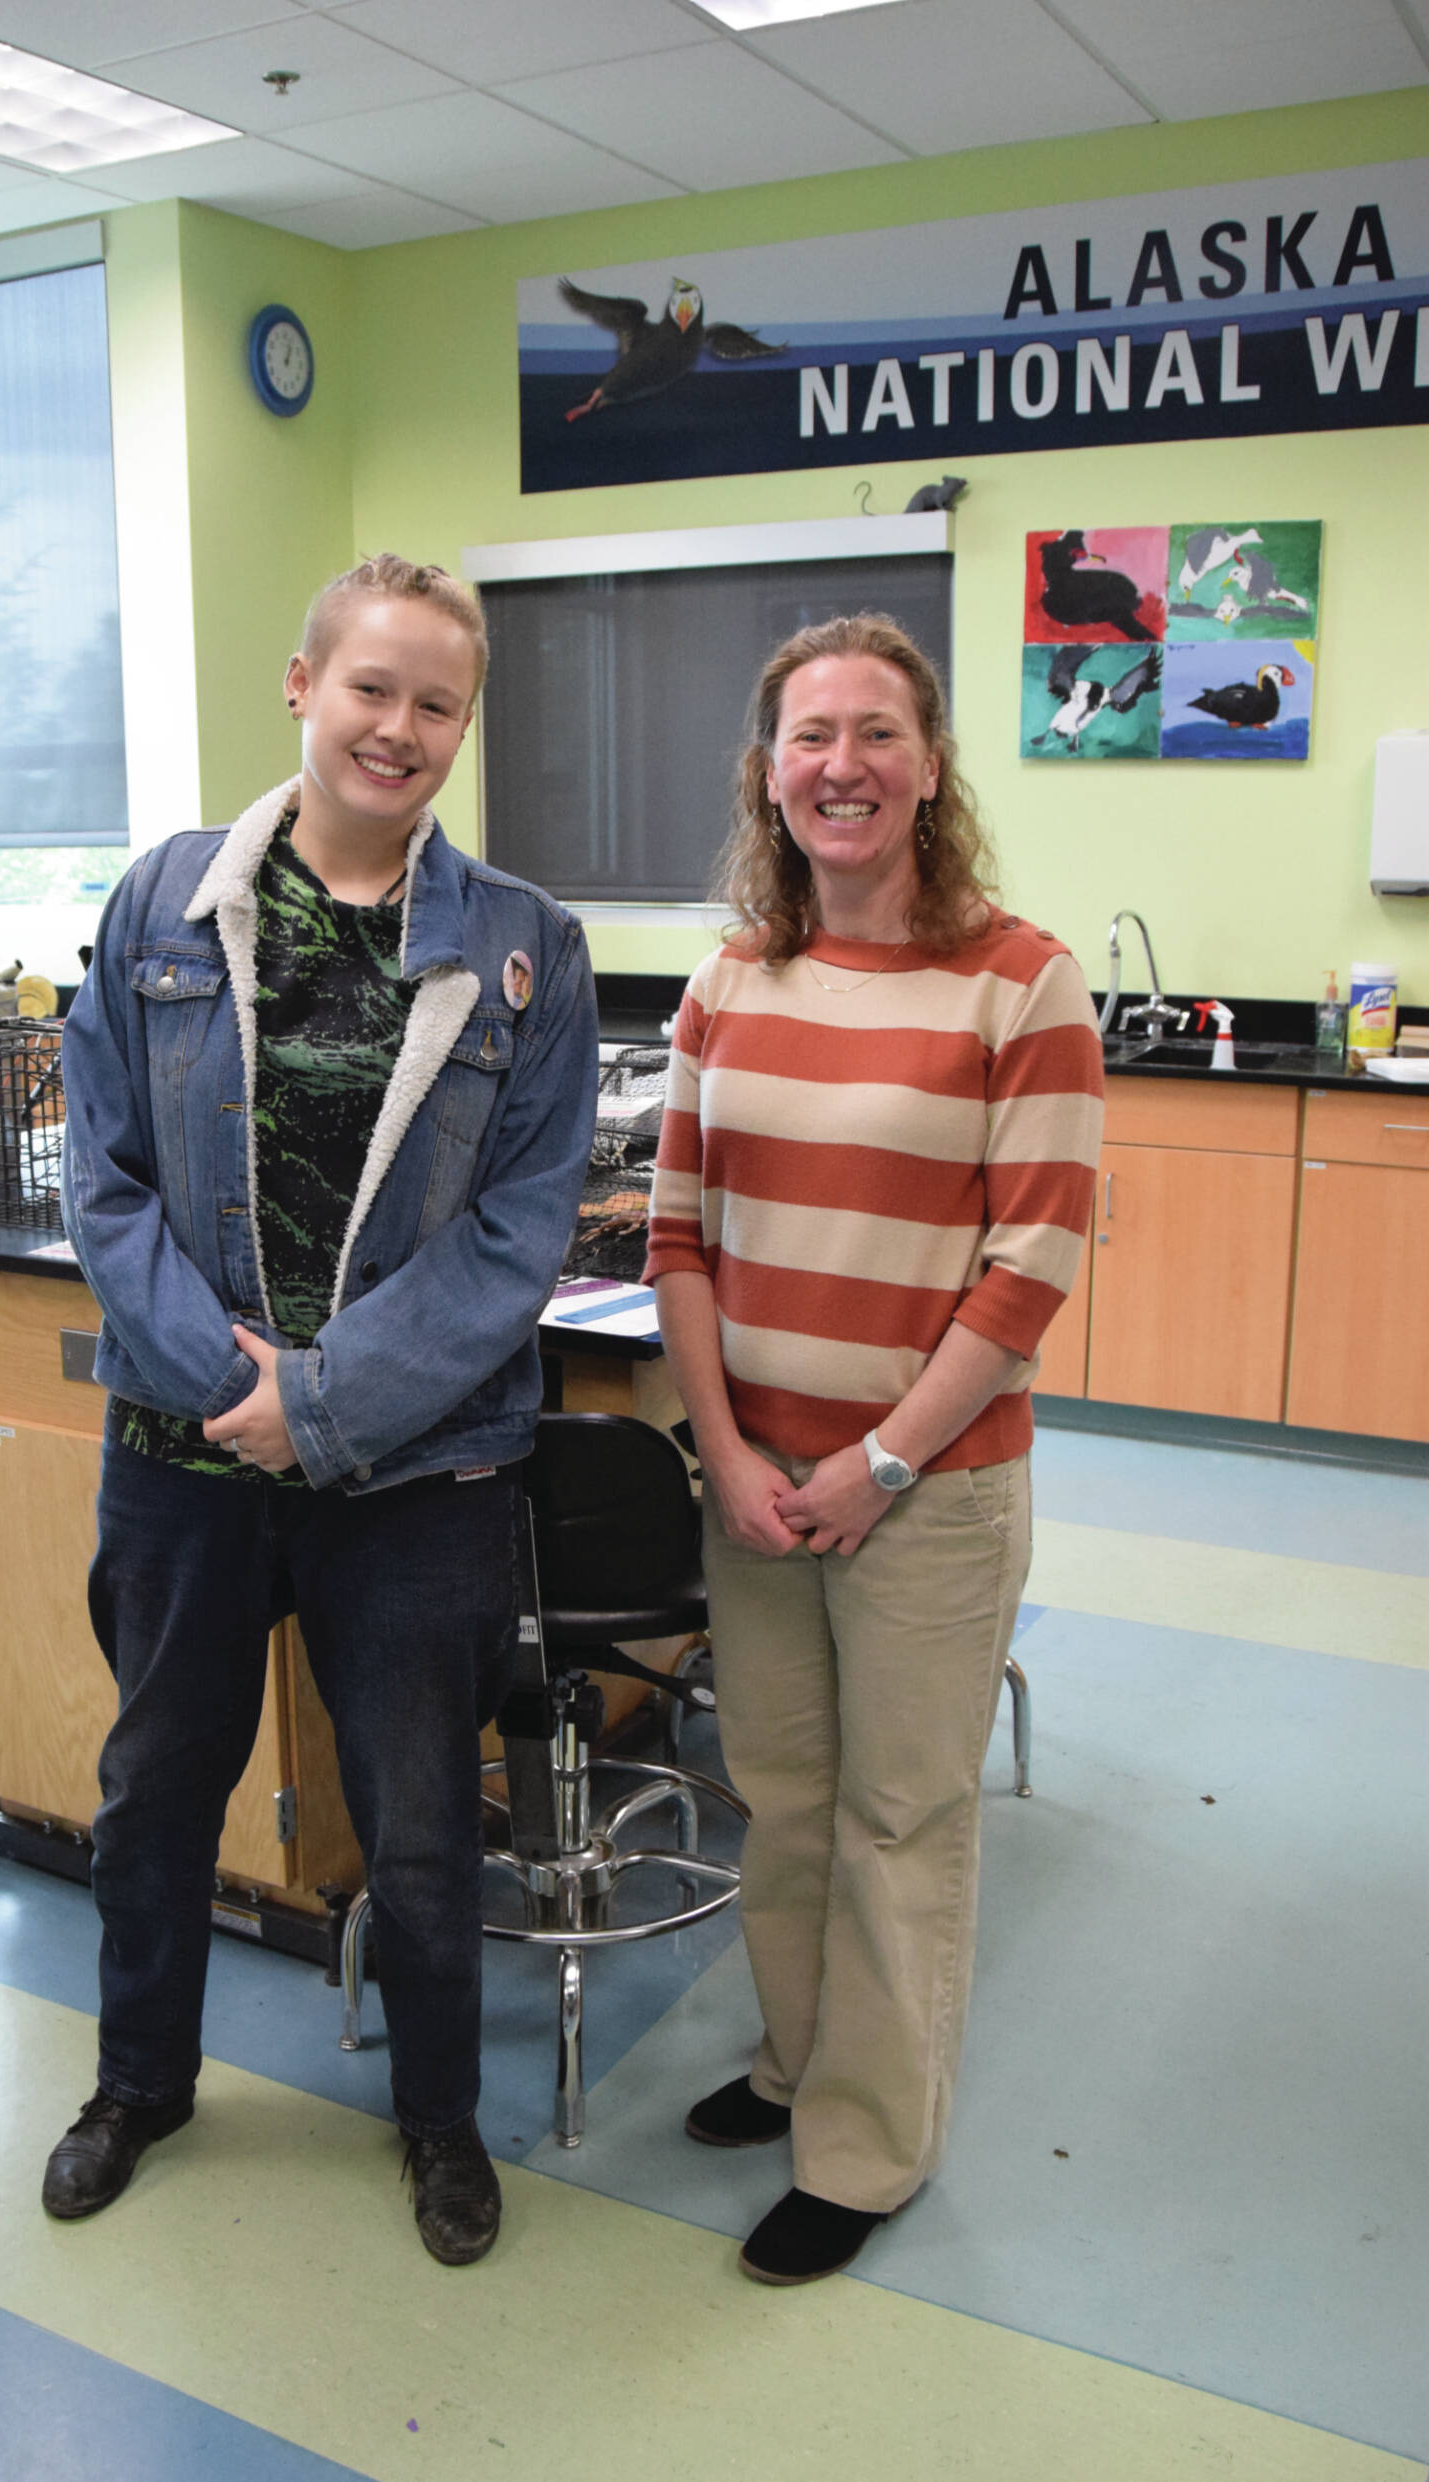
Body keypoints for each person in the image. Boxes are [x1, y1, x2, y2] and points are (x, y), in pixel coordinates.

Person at [47, 555, 598, 2265]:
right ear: (302, 686)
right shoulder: (157, 907)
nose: (402, 728)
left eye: (440, 704)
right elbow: (107, 1179)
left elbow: (516, 1239)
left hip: (419, 1472)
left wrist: (330, 1406)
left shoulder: (524, 951)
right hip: (185, 1458)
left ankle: (439, 2117)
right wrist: (240, 1395)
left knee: (422, 1822)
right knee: (153, 1792)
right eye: (373, 688)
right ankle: (140, 2078)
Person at [645, 612, 1102, 2285]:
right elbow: (678, 1237)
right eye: (811, 735)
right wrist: (726, 1446)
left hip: (929, 1496)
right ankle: (793, 2063)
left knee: (900, 1822)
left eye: (877, 734)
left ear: (927, 767)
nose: (842, 764)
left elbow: (1032, 1261)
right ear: (770, 772)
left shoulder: (1019, 978)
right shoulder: (729, 979)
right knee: (780, 1798)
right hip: (758, 1482)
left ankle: (866, 2146)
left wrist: (883, 1463)